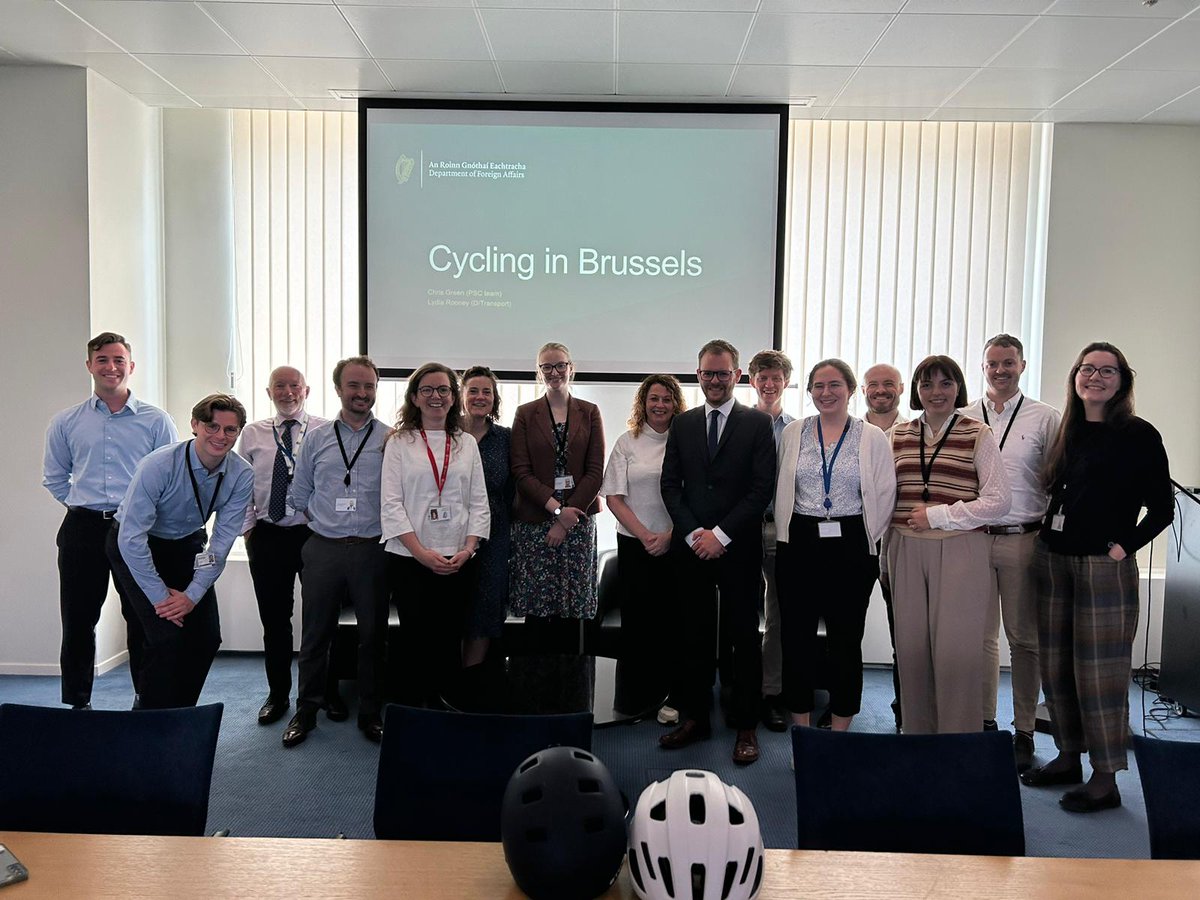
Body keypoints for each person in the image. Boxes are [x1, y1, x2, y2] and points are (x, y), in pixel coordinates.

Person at [1021, 342, 1172, 813]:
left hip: (1102, 568)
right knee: (1058, 667)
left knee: (1100, 675)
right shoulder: (1067, 429)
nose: (1095, 377)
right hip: (1054, 558)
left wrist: (1122, 547)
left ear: (1123, 380)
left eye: (1107, 371)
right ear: (1075, 377)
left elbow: (1163, 508)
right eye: (1087, 369)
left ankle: (1105, 779)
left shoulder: (1138, 434)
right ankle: (1068, 756)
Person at [43, 332, 178, 710]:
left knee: (142, 617)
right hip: (82, 529)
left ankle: (145, 698)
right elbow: (54, 476)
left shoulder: (156, 421)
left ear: (130, 367)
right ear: (89, 366)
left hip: (136, 531)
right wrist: (81, 506)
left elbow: (168, 478)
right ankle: (77, 702)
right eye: (102, 359)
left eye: (119, 360)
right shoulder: (66, 421)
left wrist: (140, 518)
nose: (111, 367)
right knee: (78, 618)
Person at [659, 339, 775, 765]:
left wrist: (721, 534)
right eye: (707, 373)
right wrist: (693, 534)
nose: (714, 380)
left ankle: (746, 725)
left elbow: (762, 488)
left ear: (737, 376)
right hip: (691, 550)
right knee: (693, 635)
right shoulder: (683, 423)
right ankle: (694, 719)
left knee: (743, 639)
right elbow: (671, 486)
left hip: (738, 547)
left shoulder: (757, 424)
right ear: (698, 374)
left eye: (722, 373)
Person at [886, 355, 1010, 734]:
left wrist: (938, 515)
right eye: (926, 384)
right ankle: (917, 736)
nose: (935, 392)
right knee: (911, 652)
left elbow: (999, 501)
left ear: (959, 387)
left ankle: (957, 742)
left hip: (960, 549)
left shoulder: (978, 433)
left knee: (956, 652)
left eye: (945, 383)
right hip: (905, 548)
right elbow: (884, 496)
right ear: (916, 391)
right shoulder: (898, 434)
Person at [106, 394, 253, 709]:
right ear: (195, 425)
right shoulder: (158, 465)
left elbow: (222, 539)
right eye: (212, 426)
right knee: (164, 636)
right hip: (134, 545)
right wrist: (162, 598)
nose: (220, 436)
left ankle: (181, 714)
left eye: (230, 430)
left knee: (207, 638)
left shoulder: (241, 474)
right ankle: (149, 719)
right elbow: (132, 539)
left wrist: (192, 595)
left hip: (186, 545)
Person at [774, 359, 896, 731]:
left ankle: (840, 729)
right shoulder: (794, 432)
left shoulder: (870, 436)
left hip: (851, 545)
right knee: (797, 641)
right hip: (799, 543)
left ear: (851, 390)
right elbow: (782, 484)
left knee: (845, 642)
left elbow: (886, 490)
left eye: (834, 385)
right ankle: (803, 729)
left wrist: (868, 538)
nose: (826, 393)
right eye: (818, 386)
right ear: (809, 391)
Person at [962, 335, 1060, 769]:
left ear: (1022, 365)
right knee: (980, 638)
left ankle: (1023, 731)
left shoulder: (1045, 418)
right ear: (982, 367)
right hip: (974, 540)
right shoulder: (963, 416)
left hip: (1024, 538)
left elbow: (1058, 482)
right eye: (992, 363)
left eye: (1008, 363)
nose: (999, 370)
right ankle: (984, 724)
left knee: (1024, 640)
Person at [283, 356, 390, 747]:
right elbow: (299, 494)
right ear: (338, 389)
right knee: (315, 635)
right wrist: (325, 521)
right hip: (323, 549)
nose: (362, 394)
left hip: (372, 550)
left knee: (373, 636)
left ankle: (371, 713)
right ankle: (306, 711)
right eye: (354, 386)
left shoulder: (390, 438)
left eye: (369, 386)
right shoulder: (316, 437)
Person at [381, 362, 490, 707]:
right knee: (416, 640)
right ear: (414, 397)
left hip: (458, 558)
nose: (436, 396)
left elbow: (478, 501)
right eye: (427, 389)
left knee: (449, 639)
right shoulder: (399, 442)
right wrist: (421, 553)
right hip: (411, 559)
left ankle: (447, 712)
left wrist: (469, 549)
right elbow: (391, 504)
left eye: (443, 389)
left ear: (453, 397)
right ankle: (416, 713)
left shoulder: (466, 443)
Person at [237, 366, 330, 725]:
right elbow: (241, 486)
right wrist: (249, 532)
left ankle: (320, 695)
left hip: (314, 534)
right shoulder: (253, 433)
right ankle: (278, 695)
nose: (288, 392)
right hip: (268, 535)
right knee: (274, 621)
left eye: (295, 386)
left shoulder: (325, 430)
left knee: (320, 621)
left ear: (307, 390)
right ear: (268, 391)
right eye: (280, 386)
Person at [509, 342, 605, 654]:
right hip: (536, 523)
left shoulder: (590, 413)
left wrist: (568, 515)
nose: (554, 372)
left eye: (560, 365)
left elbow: (595, 471)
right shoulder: (525, 414)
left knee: (572, 612)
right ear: (538, 372)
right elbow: (521, 472)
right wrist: (556, 510)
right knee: (538, 612)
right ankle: (536, 691)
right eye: (547, 367)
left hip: (577, 524)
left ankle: (572, 691)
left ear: (571, 368)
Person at [600, 374, 686, 718]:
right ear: (643, 403)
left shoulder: (686, 441)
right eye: (654, 399)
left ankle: (672, 699)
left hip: (677, 542)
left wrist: (669, 535)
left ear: (675, 404)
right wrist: (647, 535)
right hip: (636, 544)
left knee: (673, 622)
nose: (660, 405)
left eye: (667, 399)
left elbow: (697, 495)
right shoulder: (628, 441)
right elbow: (614, 497)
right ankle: (634, 700)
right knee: (637, 624)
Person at [747, 349, 795, 733]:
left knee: (778, 613)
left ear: (785, 382)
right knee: (742, 612)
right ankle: (739, 688)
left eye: (776, 377)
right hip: (742, 528)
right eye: (762, 377)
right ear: (752, 381)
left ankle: (771, 692)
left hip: (782, 529)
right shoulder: (740, 424)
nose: (769, 384)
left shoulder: (799, 430)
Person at [860, 361, 907, 729]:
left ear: (902, 388)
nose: (880, 390)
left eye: (888, 384)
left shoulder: (915, 432)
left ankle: (905, 705)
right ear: (862, 391)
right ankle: (843, 704)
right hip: (855, 544)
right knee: (846, 628)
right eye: (873, 384)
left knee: (903, 629)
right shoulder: (849, 432)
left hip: (901, 542)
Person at [460, 365, 513, 668]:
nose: (480, 397)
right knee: (454, 606)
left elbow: (514, 487)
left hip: (494, 537)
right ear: (462, 395)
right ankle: (448, 685)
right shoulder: (446, 434)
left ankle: (471, 682)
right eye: (473, 391)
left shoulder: (505, 438)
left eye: (487, 392)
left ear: (495, 399)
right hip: (449, 533)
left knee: (485, 608)